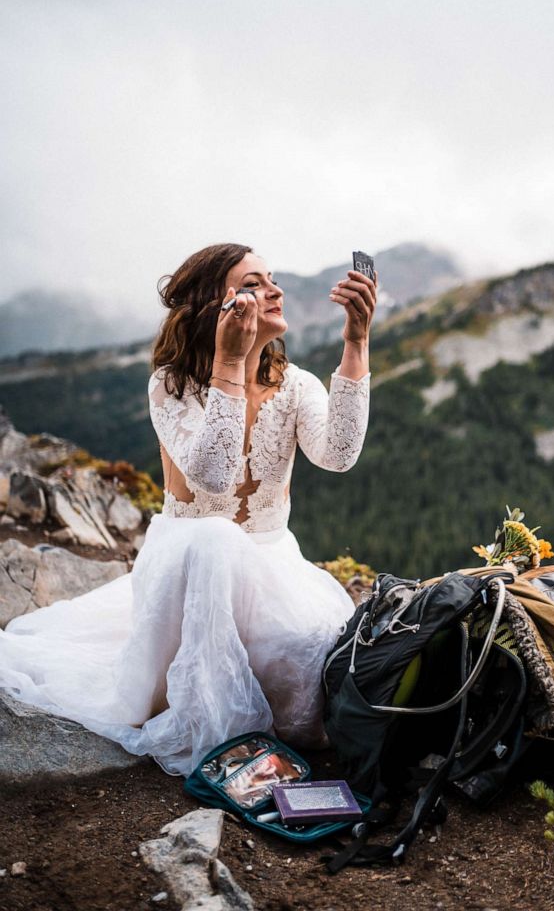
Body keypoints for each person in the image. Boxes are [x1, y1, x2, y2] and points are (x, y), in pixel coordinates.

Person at [0, 243, 376, 776]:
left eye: (271, 279)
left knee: (309, 673)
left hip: (274, 566)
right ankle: (213, 734)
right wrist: (228, 363)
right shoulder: (171, 385)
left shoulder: (296, 386)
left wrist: (356, 342)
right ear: (212, 308)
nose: (274, 289)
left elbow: (338, 456)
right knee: (216, 539)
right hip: (187, 564)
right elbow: (216, 474)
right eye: (253, 283)